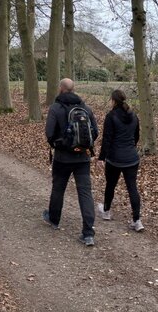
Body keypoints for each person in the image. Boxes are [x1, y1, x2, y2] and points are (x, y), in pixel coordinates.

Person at [43, 78, 99, 246]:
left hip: (62, 158)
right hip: (82, 158)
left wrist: (59, 145)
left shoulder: (56, 108)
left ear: (61, 88)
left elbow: (49, 133)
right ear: (73, 89)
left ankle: (54, 220)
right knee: (85, 193)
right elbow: (95, 132)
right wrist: (81, 146)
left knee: (58, 188)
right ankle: (88, 233)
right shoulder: (85, 108)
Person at [96, 89, 144, 232]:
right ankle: (137, 220)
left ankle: (106, 211)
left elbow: (107, 139)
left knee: (110, 185)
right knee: (132, 188)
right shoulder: (134, 115)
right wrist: (130, 148)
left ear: (113, 101)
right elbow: (136, 136)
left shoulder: (111, 116)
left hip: (114, 158)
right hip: (132, 158)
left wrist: (101, 158)